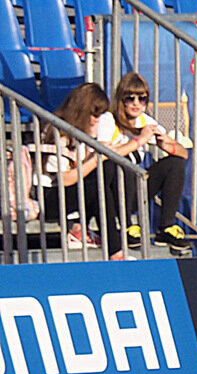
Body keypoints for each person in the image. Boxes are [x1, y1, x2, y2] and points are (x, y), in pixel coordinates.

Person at [96, 72, 190, 257]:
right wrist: (139, 141)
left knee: (175, 163)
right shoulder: (108, 120)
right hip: (111, 189)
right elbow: (103, 155)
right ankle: (127, 225)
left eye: (142, 99)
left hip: (135, 190)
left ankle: (166, 227)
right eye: (130, 98)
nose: (136, 103)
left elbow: (183, 153)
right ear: (121, 99)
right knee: (124, 164)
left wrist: (166, 144)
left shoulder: (146, 121)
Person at [37, 83, 128, 259]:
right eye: (94, 114)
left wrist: (95, 148)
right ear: (81, 110)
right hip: (49, 196)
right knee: (98, 180)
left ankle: (83, 227)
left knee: (108, 168)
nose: (96, 120)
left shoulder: (85, 130)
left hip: (72, 192)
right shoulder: (56, 130)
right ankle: (116, 251)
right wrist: (96, 157)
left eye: (100, 115)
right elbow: (65, 179)